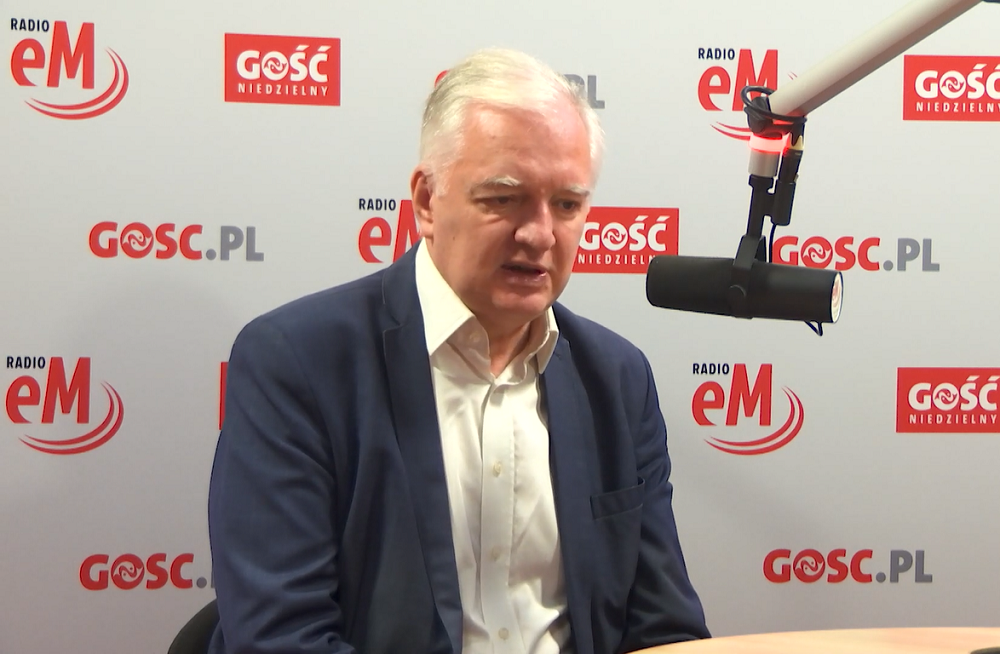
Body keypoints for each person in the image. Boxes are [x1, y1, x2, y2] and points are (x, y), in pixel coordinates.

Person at [207, 48, 710, 654]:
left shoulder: (618, 377)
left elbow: (664, 627)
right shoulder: (297, 362)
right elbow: (280, 638)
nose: (540, 234)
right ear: (426, 200)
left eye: (567, 205)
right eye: (504, 198)